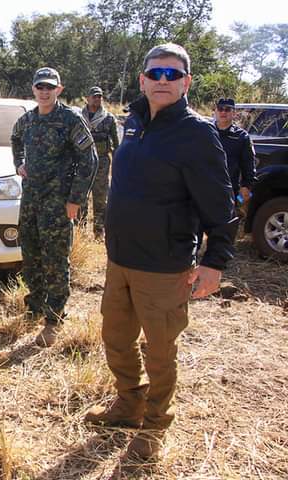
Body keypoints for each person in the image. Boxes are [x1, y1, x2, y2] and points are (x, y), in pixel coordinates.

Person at [84, 43, 238, 462]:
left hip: (165, 266)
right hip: (121, 260)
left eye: (173, 75)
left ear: (187, 82)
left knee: (160, 349)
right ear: (143, 80)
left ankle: (155, 424)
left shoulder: (196, 133)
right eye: (156, 74)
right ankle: (128, 404)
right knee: (115, 338)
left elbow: (220, 206)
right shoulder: (133, 122)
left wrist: (214, 262)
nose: (163, 81)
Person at [11, 67, 98, 348]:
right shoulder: (27, 120)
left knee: (56, 260)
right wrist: (18, 163)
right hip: (31, 200)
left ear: (59, 89)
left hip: (59, 203)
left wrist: (75, 199)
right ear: (34, 89)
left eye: (50, 87)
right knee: (31, 255)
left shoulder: (69, 119)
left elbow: (90, 159)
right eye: (40, 87)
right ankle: (34, 306)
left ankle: (54, 318)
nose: (44, 91)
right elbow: (14, 139)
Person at [80, 86, 120, 240]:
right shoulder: (79, 117)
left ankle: (99, 231)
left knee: (100, 197)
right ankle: (80, 230)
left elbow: (116, 144)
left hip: (102, 162)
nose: (97, 99)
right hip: (83, 161)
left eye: (99, 96)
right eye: (94, 96)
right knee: (81, 196)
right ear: (87, 98)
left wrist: (117, 163)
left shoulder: (108, 118)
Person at [213, 98, 257, 204]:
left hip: (229, 191)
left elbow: (248, 164)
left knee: (229, 219)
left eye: (227, 109)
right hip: (205, 188)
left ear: (234, 113)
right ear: (215, 111)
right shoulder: (206, 132)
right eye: (220, 109)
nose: (223, 112)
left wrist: (246, 186)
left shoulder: (242, 137)